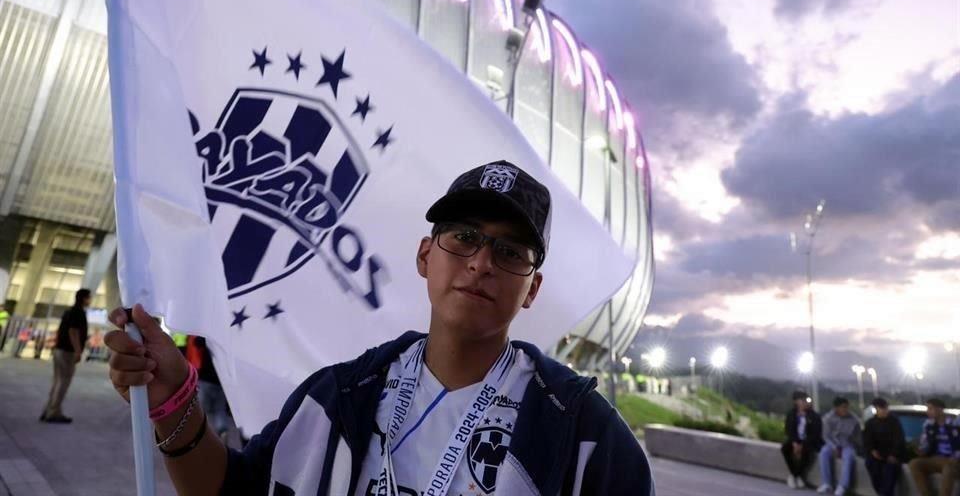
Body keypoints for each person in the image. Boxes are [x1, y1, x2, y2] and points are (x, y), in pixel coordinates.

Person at [104, 160, 655, 496]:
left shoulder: (583, 435)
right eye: (462, 236)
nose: (481, 262)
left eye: (510, 251)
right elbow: (234, 491)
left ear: (532, 287)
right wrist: (174, 403)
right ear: (425, 255)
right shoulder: (340, 397)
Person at [40, 288, 91, 423]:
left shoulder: (68, 311)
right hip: (68, 351)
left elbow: (60, 330)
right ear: (84, 298)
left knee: (57, 381)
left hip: (59, 349)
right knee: (63, 382)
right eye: (89, 298)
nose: (90, 300)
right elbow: (73, 331)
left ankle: (48, 410)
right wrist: (78, 351)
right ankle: (53, 413)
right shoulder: (78, 313)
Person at [909, 397, 960, 496]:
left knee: (948, 468)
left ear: (940, 409)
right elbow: (925, 444)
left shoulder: (955, 423)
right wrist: (921, 450)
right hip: (936, 459)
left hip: (953, 461)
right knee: (914, 463)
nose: (928, 412)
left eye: (930, 409)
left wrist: (957, 457)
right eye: (927, 409)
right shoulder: (928, 425)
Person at [187, 336, 232, 445]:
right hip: (220, 381)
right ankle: (222, 430)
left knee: (203, 411)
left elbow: (197, 342)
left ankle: (206, 437)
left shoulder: (206, 338)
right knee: (219, 410)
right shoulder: (225, 342)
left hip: (205, 379)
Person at [817, 396, 861, 496]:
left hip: (848, 445)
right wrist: (834, 447)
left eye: (847, 407)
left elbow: (858, 438)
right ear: (835, 408)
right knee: (824, 453)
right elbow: (826, 436)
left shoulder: (854, 420)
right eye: (843, 407)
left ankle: (842, 486)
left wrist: (857, 448)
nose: (846, 409)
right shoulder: (828, 418)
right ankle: (827, 483)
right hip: (832, 444)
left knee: (848, 457)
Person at [862, 397, 906, 496]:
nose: (884, 411)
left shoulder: (894, 422)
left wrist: (894, 454)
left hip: (893, 455)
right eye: (881, 409)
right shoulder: (871, 423)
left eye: (885, 408)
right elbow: (867, 440)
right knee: (872, 467)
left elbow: (899, 440)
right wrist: (873, 451)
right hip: (877, 454)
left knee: (890, 470)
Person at [781, 390, 823, 489]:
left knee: (806, 451)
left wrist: (802, 444)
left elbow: (815, 434)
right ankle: (795, 475)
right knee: (785, 448)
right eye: (802, 401)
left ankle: (796, 475)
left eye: (806, 401)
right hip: (795, 440)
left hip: (809, 441)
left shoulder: (814, 416)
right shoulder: (791, 414)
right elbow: (788, 430)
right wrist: (795, 443)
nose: (805, 403)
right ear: (797, 402)